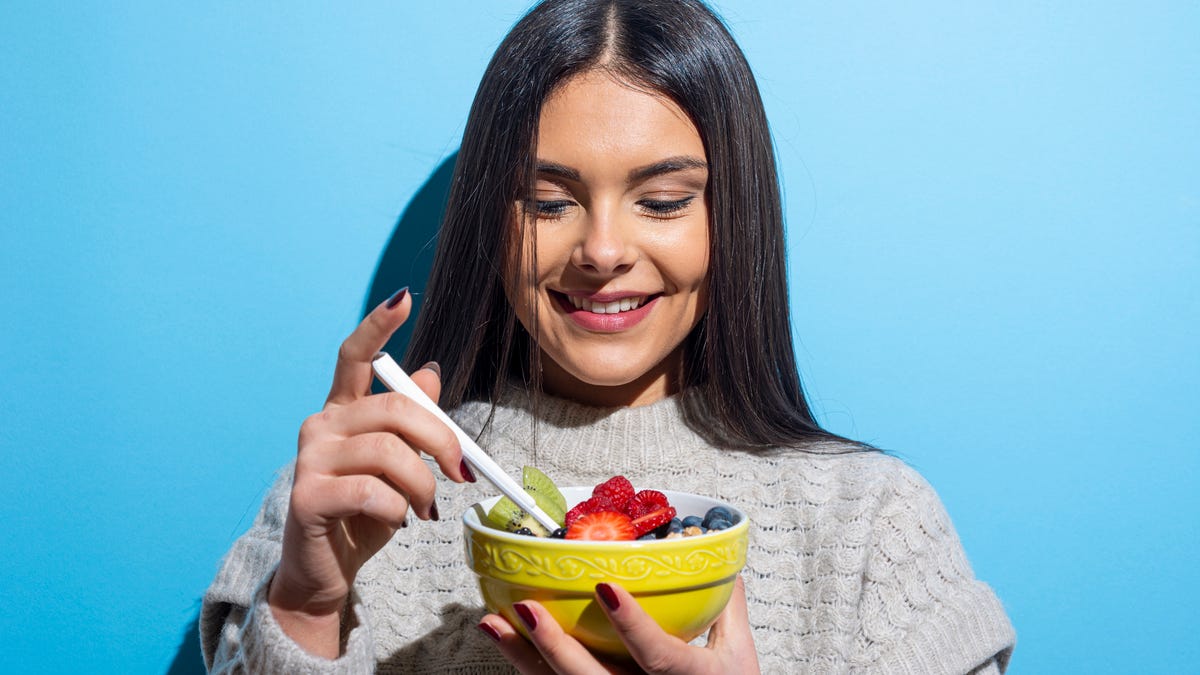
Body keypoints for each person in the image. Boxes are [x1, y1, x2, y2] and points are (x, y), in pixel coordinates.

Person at [201, 0, 1015, 672]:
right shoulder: (351, 501)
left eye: (661, 202)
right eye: (547, 202)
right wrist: (308, 611)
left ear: (732, 218)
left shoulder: (872, 525)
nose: (601, 251)